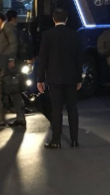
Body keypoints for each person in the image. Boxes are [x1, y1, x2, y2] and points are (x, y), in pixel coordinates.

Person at [37, 8, 83, 149]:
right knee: (72, 109)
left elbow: (43, 58)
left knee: (56, 109)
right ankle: (74, 140)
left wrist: (40, 79)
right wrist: (79, 78)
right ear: (67, 19)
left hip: (54, 78)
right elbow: (79, 58)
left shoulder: (47, 35)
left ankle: (56, 140)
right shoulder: (74, 35)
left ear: (53, 19)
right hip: (71, 78)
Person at [0, 11, 26, 127]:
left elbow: (14, 44)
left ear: (0, 20)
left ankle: (16, 118)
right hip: (1, 64)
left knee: (11, 90)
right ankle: (3, 118)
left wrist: (11, 59)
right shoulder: (2, 29)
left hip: (7, 66)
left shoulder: (8, 28)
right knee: (3, 91)